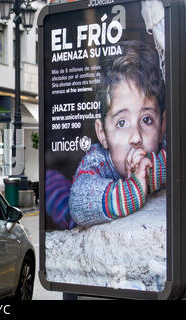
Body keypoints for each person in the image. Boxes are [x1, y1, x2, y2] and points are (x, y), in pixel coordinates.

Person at [69, 41, 166, 227]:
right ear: (102, 134)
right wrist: (132, 190)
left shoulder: (166, 147)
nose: (136, 137)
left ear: (162, 127)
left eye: (146, 119)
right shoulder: (98, 160)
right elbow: (78, 201)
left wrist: (149, 171)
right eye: (121, 123)